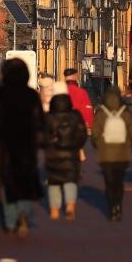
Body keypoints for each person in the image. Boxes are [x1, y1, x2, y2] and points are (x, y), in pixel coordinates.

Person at [0, 58, 44, 237]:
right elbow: (40, 120)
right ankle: (23, 214)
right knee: (24, 181)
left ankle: (10, 223)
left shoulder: (0, 94)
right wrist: (43, 140)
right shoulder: (31, 94)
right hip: (26, 144)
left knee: (6, 183)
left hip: (6, 145)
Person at [43, 82, 88, 220]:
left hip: (53, 154)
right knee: (70, 180)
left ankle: (55, 209)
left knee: (54, 182)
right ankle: (70, 206)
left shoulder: (49, 117)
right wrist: (76, 145)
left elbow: (42, 136)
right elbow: (82, 134)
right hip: (71, 153)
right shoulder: (75, 115)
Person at [92, 86, 132, 221]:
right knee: (119, 182)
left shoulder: (100, 114)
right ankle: (118, 206)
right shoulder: (126, 113)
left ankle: (111, 208)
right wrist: (128, 145)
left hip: (105, 155)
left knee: (109, 182)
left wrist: (99, 146)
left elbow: (95, 135)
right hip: (122, 154)